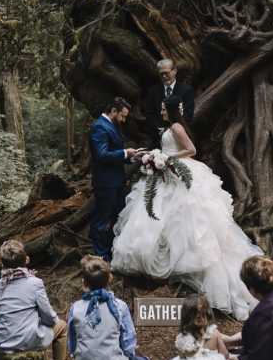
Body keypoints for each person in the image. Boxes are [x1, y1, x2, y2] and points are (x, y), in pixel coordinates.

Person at [111, 95, 262, 319]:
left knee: (186, 217)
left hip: (179, 172)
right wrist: (157, 156)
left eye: (163, 108)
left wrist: (167, 157)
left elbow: (191, 150)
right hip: (167, 173)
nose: (161, 111)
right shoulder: (169, 126)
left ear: (170, 110)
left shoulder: (176, 126)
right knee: (160, 214)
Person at [0, 240, 77, 360]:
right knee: (62, 327)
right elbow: (49, 317)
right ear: (26, 260)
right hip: (26, 339)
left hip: (3, 340)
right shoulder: (34, 283)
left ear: (3, 263)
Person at [68, 255, 152, 360]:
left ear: (84, 283)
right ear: (109, 280)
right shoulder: (119, 306)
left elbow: (73, 341)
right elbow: (128, 343)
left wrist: (78, 355)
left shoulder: (76, 308)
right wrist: (125, 355)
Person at [89, 97, 142, 261]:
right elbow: (101, 155)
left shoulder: (112, 125)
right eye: (122, 116)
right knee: (102, 219)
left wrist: (132, 157)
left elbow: (114, 152)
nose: (124, 120)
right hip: (105, 183)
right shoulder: (99, 127)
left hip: (116, 181)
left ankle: (111, 252)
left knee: (115, 216)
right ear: (113, 111)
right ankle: (101, 256)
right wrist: (126, 153)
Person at [144, 59, 195, 147]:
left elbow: (188, 113)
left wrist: (175, 130)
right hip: (158, 138)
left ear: (174, 71)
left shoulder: (186, 90)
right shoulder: (153, 91)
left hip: (181, 137)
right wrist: (159, 129)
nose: (164, 76)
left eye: (166, 73)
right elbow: (149, 113)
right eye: (161, 74)